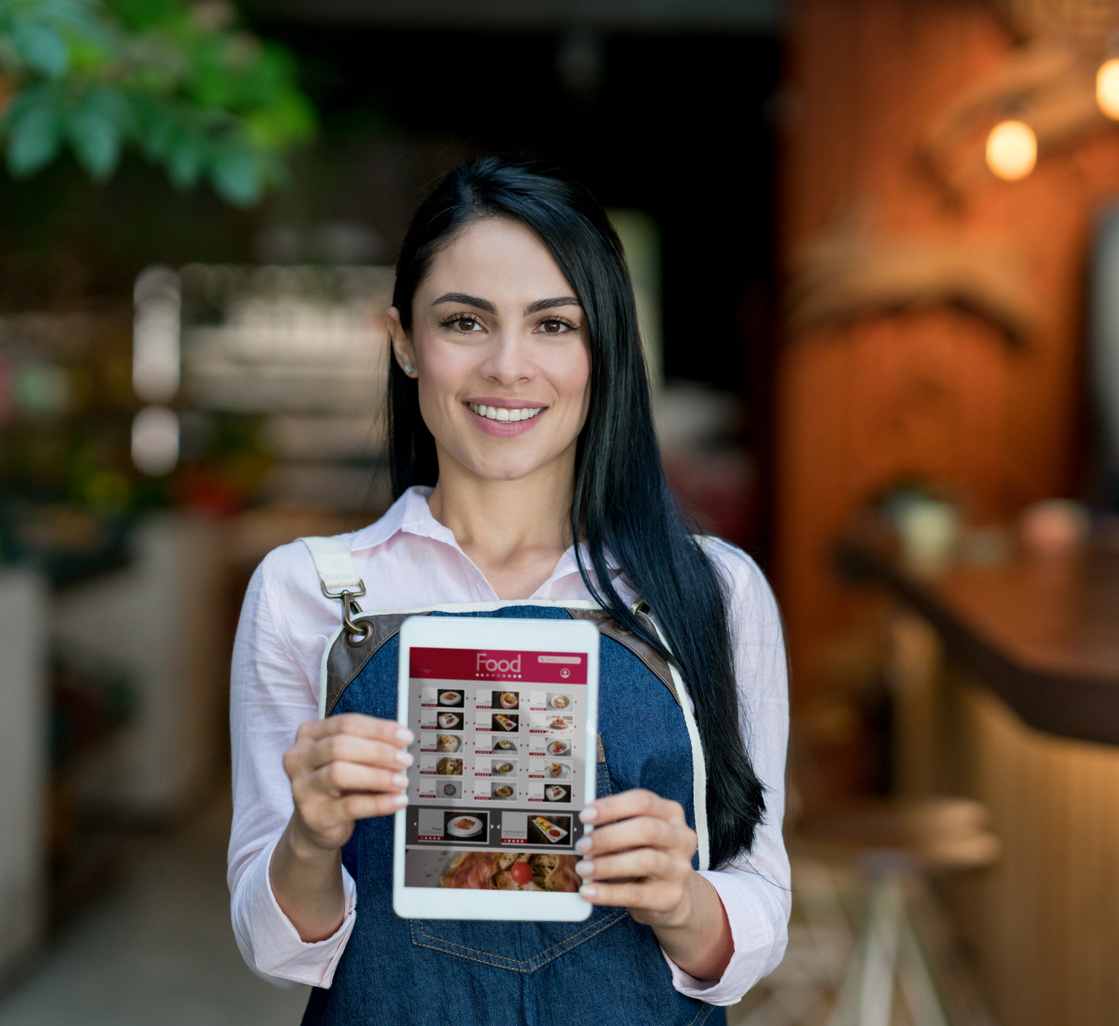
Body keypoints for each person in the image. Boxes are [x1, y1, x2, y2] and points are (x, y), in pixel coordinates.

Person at [226, 156, 790, 1024]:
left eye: (553, 325)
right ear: (405, 340)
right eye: (464, 321)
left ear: (604, 345)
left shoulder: (714, 591)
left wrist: (679, 898)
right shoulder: (312, 591)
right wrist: (309, 836)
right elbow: (273, 946)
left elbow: (759, 905)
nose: (508, 366)